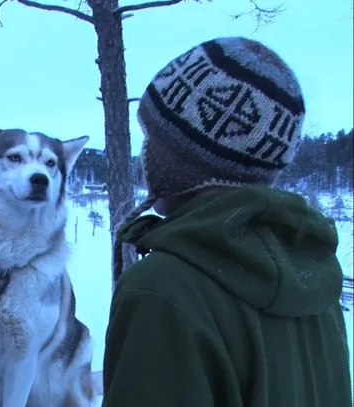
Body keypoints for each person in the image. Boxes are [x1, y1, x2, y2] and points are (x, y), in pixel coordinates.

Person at [102, 37, 352, 407]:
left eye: (151, 135)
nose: (145, 152)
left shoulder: (162, 288)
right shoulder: (314, 275)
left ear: (178, 158)